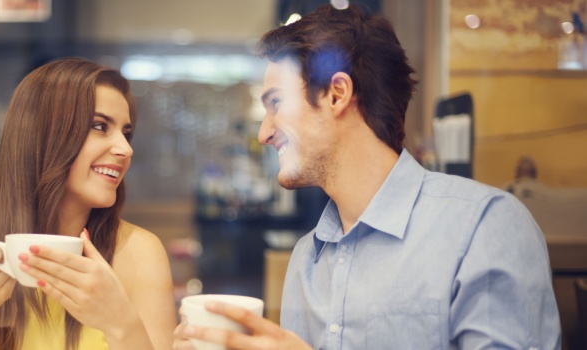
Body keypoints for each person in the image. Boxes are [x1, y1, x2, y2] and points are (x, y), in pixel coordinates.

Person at [175, 4, 561, 349]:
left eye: (276, 103)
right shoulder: (306, 260)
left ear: (337, 94)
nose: (263, 133)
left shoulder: (485, 227)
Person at [0, 58, 176, 350]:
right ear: (43, 136)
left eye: (126, 132)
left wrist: (120, 322)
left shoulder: (140, 252)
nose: (125, 149)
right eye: (99, 126)